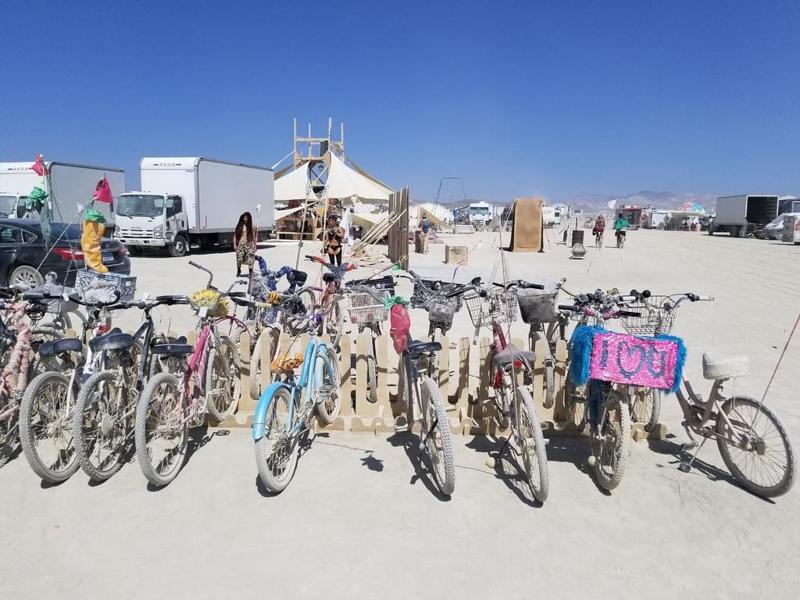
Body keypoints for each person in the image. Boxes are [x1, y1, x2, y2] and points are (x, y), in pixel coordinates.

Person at [234, 211, 257, 277]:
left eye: (246, 217)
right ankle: (239, 270)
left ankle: (250, 272)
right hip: (241, 244)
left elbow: (254, 237)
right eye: (244, 217)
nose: (245, 218)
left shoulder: (252, 226)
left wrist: (255, 246)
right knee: (239, 259)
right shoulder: (240, 226)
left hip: (249, 244)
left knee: (251, 258)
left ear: (249, 218)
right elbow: (235, 235)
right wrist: (235, 244)